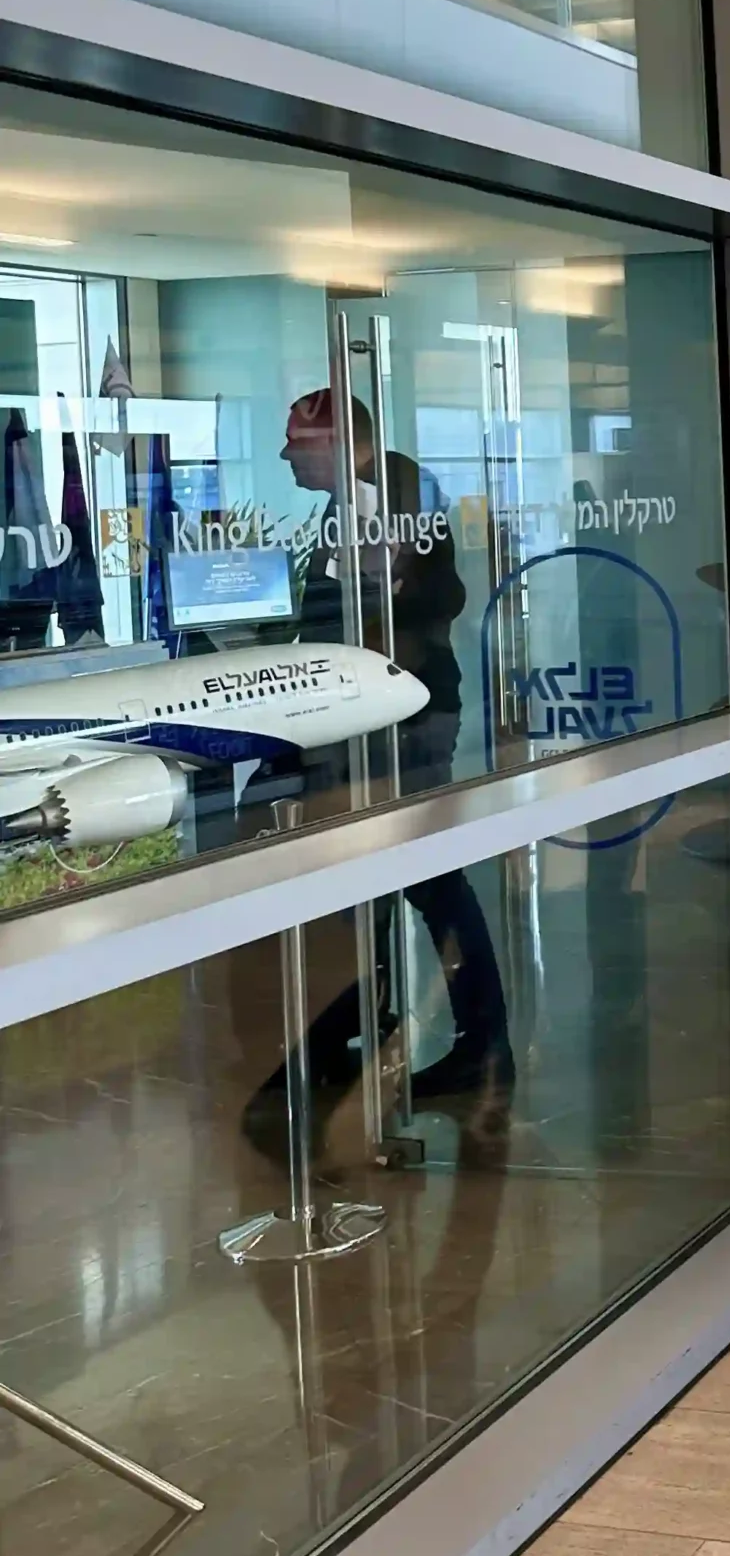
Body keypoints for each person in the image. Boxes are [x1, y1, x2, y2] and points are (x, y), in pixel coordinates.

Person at [262, 388, 513, 1116]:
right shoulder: (359, 498)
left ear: (340, 443)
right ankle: (358, 1028)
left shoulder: (395, 493)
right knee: (366, 875)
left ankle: (478, 1045)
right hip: (377, 711)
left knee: (428, 879)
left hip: (402, 717)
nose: (285, 456)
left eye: (295, 443)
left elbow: (439, 595)